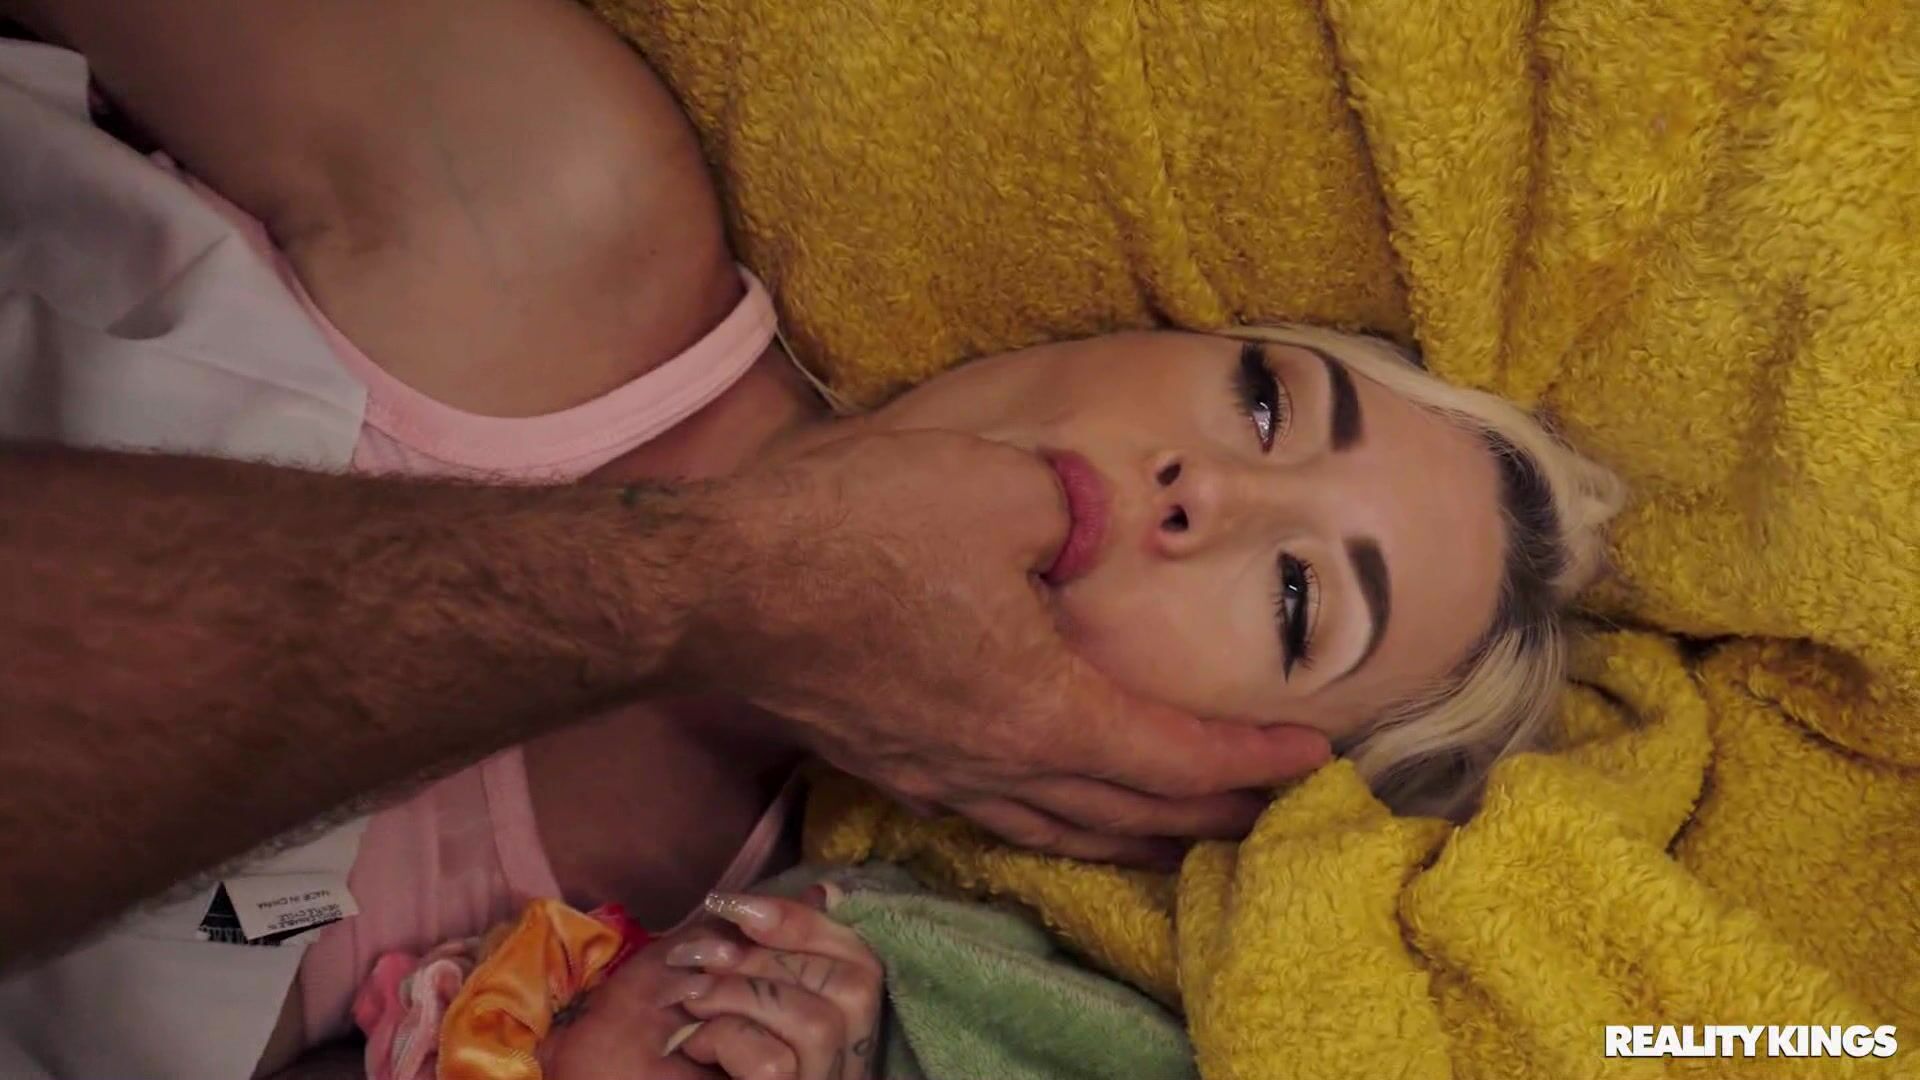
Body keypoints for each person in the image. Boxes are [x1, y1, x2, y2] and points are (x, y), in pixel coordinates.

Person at [0, 0, 1622, 1076]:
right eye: (1267, 403)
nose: (1212, 493)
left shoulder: (697, 962)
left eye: (1298, 599)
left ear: (1186, 785)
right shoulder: (557, 204)